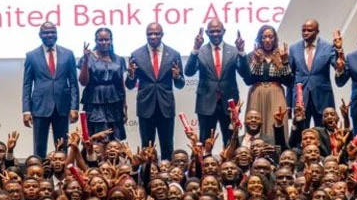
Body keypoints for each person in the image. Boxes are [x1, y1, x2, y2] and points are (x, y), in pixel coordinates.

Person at [125, 22, 185, 161]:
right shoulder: (136, 54)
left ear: (162, 35)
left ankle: (167, 175)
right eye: (150, 34)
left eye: (156, 33)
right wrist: (131, 75)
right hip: (146, 106)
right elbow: (129, 85)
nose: (153, 36)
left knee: (167, 145)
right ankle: (148, 176)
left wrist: (177, 76)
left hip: (166, 106)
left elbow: (180, 84)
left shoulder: (174, 54)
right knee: (147, 146)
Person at [184, 20, 250, 145]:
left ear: (223, 32)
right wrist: (195, 49)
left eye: (218, 31)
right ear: (207, 33)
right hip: (206, 103)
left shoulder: (234, 50)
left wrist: (241, 52)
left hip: (229, 104)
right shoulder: (201, 51)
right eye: (212, 31)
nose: (215, 34)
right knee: (204, 141)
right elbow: (188, 72)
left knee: (231, 140)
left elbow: (246, 74)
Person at [22, 22, 80, 158]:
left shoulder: (68, 54)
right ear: (40, 35)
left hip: (62, 107)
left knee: (62, 147)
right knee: (39, 148)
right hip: (40, 107)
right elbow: (27, 85)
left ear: (57, 34)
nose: (50, 35)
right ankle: (41, 176)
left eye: (53, 32)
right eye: (46, 32)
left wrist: (74, 107)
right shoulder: (31, 55)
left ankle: (62, 177)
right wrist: (26, 110)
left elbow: (73, 83)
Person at [288, 20, 344, 127]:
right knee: (301, 134)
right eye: (303, 30)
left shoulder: (328, 47)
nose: (306, 33)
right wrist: (288, 103)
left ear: (317, 31)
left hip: (322, 97)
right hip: (301, 99)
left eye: (309, 30)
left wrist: (339, 50)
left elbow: (338, 66)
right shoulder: (294, 48)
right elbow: (290, 78)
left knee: (324, 133)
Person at [244, 25, 293, 143]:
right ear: (259, 39)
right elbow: (248, 80)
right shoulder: (252, 55)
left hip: (276, 93)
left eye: (270, 37)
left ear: (275, 39)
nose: (267, 40)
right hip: (257, 93)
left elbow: (289, 81)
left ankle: (277, 154)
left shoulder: (282, 55)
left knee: (276, 122)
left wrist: (285, 62)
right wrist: (255, 62)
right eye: (264, 37)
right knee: (254, 123)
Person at [78, 28, 128, 141]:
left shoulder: (119, 59)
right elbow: (83, 82)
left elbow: (121, 84)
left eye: (107, 39)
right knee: (98, 136)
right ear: (96, 41)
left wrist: (125, 106)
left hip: (115, 101)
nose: (104, 42)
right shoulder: (88, 57)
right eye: (101, 40)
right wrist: (85, 60)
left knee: (115, 137)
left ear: (111, 40)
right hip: (95, 101)